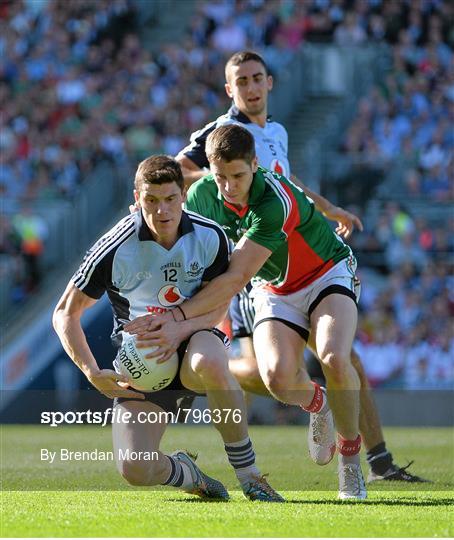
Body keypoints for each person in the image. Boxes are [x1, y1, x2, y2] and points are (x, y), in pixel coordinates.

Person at [175, 50, 428, 484]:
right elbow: (179, 171)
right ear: (229, 89)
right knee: (273, 372)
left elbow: (285, 182)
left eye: (257, 78)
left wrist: (327, 208)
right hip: (259, 263)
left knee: (338, 356)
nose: (251, 88)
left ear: (270, 82)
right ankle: (212, 381)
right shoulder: (223, 133)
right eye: (242, 81)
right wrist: (226, 179)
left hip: (299, 257)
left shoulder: (275, 132)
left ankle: (372, 460)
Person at [126, 125, 367, 500]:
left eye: (238, 175)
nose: (229, 186)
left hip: (326, 272)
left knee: (334, 356)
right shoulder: (203, 194)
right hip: (275, 287)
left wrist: (176, 320)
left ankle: (351, 466)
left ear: (256, 165)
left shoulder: (274, 200)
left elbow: (236, 275)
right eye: (220, 176)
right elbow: (178, 237)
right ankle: (318, 403)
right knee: (275, 378)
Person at [53, 155, 284, 503]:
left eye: (170, 199)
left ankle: (250, 476)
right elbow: (65, 313)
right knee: (135, 468)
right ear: (136, 198)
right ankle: (188, 473)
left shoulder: (210, 237)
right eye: (151, 200)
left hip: (195, 341)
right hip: (142, 363)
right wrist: (89, 370)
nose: (162, 211)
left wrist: (180, 328)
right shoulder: (115, 247)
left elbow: (219, 303)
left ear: (183, 195)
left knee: (210, 361)